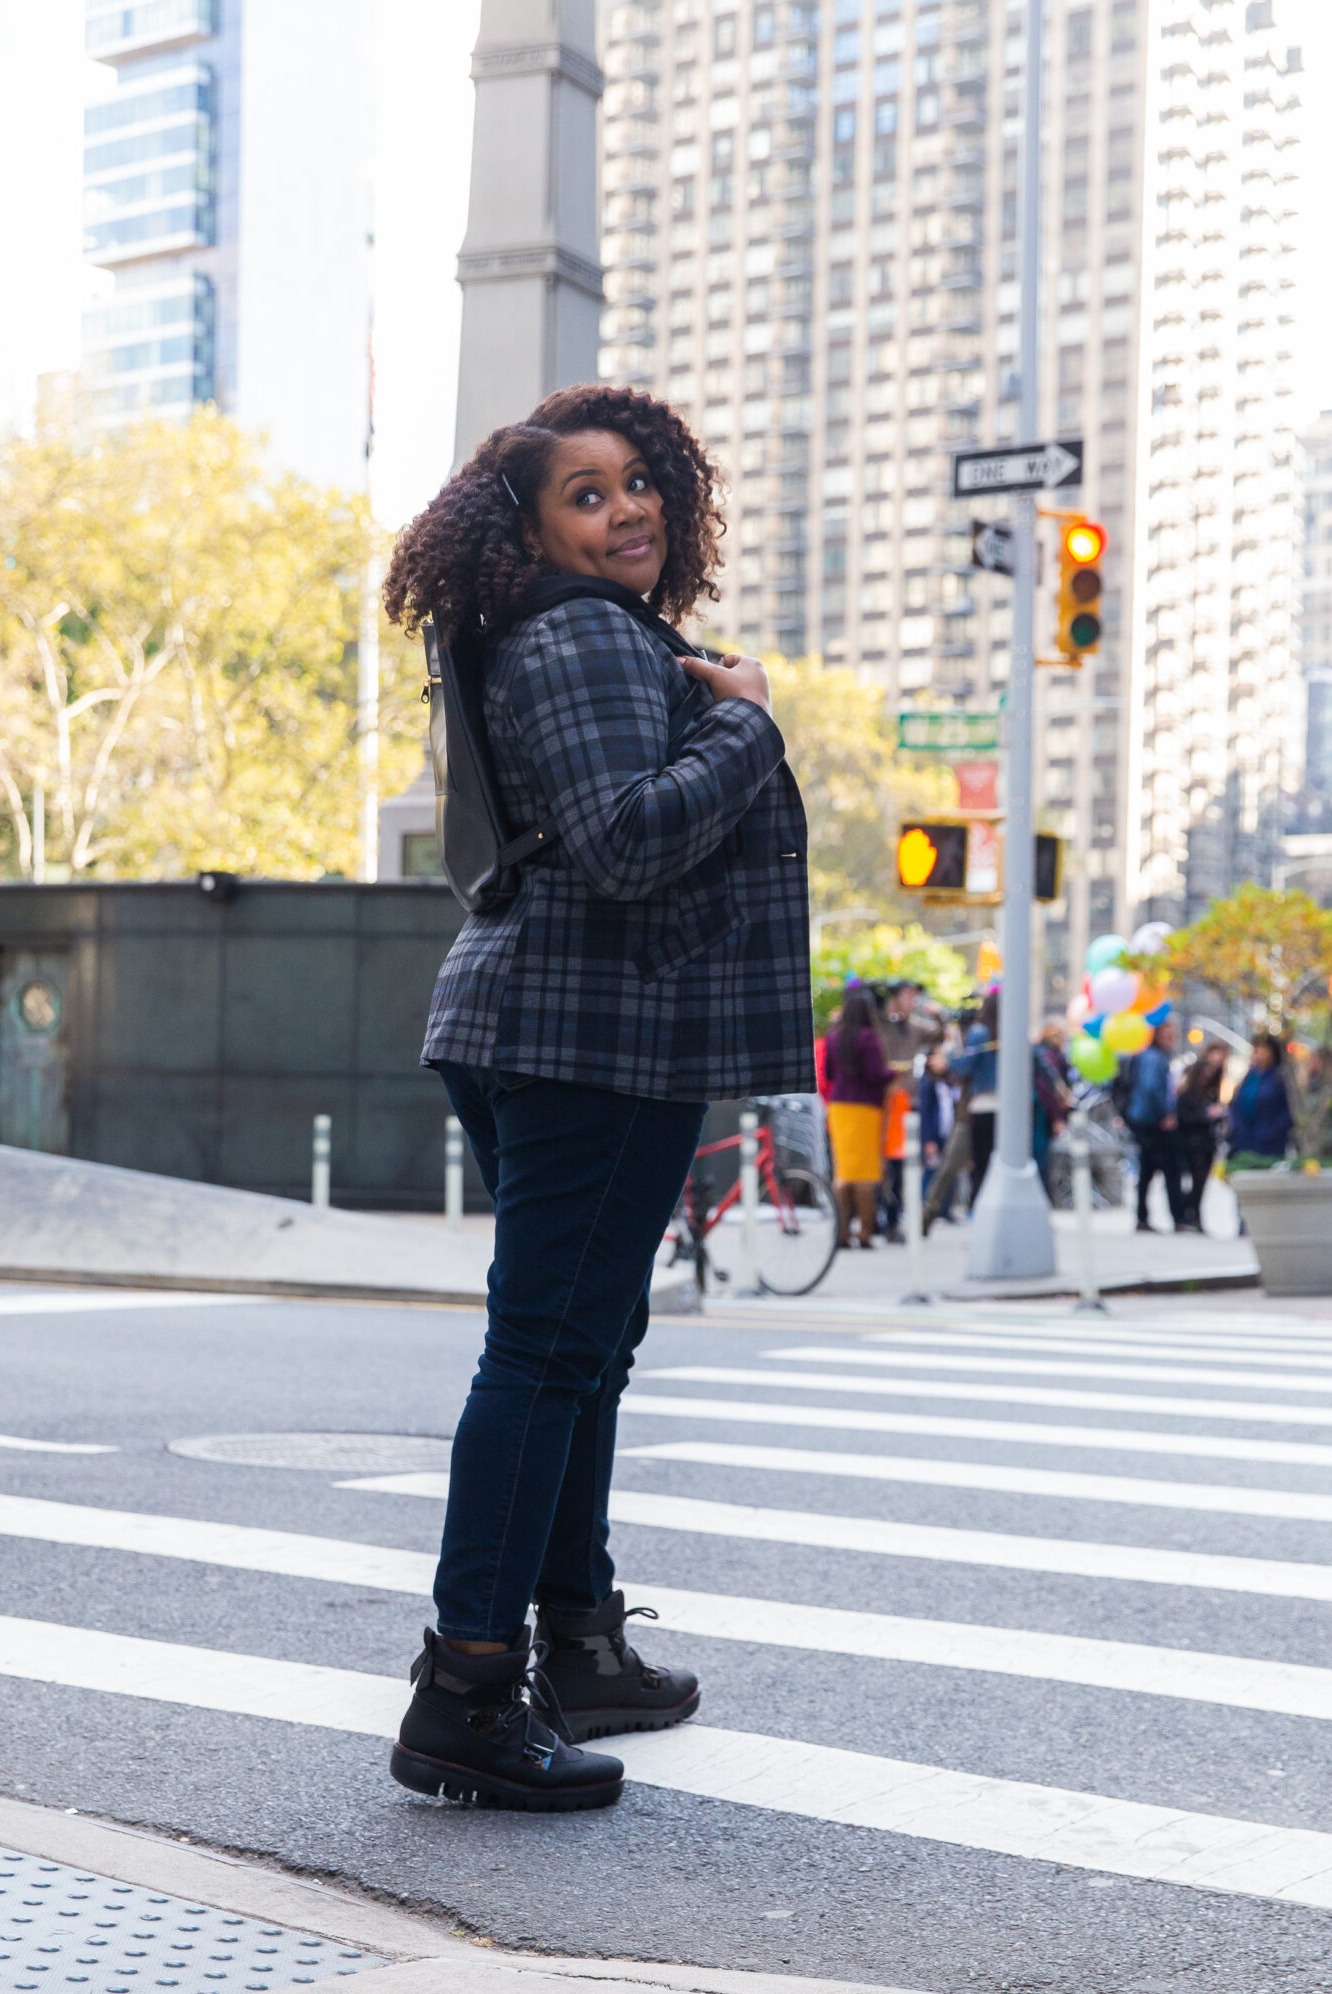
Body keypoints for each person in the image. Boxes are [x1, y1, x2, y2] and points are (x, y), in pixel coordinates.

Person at [381, 383, 814, 1811]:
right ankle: (464, 1691)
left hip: (583, 1028)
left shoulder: (588, 632)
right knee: (550, 1353)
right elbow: (628, 845)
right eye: (586, 492)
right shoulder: (575, 637)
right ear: (530, 532)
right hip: (584, 1036)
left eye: (639, 483)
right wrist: (749, 727)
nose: (626, 508)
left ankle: (577, 1641)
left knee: (585, 1345)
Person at [820, 982, 892, 1248]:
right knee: (865, 1174)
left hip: (839, 1108)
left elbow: (827, 1074)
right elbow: (876, 1075)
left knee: (843, 1171)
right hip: (865, 1109)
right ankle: (864, 1233)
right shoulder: (870, 1039)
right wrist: (896, 1073)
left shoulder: (834, 1037)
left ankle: (841, 1234)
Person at [876, 981, 942, 1240]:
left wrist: (940, 1015)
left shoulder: (915, 1026)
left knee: (903, 1164)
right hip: (883, 1102)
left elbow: (937, 1034)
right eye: (908, 996)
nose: (913, 1001)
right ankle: (877, 1217)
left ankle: (894, 1219)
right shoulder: (879, 1023)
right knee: (881, 1165)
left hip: (908, 1103)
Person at [1124, 1016, 1185, 1231]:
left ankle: (1143, 1217)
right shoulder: (1154, 1058)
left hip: (1145, 1119)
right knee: (1169, 1170)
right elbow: (1151, 1089)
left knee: (1147, 1171)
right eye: (1165, 1034)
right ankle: (1178, 1217)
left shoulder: (1150, 1056)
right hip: (1152, 1122)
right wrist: (1164, 1115)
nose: (1170, 1038)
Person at [952, 990, 999, 1203]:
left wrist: (951, 1050)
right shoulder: (1011, 1032)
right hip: (1007, 1108)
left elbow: (963, 1066)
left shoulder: (980, 1033)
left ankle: (978, 1207)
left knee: (979, 1163)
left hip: (982, 1104)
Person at [1175, 1041, 1228, 1230]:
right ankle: (1187, 1213)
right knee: (1195, 1181)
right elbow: (1185, 1116)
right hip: (1193, 1141)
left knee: (1201, 1182)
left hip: (1206, 1141)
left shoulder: (1212, 1090)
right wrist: (1207, 1116)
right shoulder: (1188, 1092)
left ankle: (1193, 1215)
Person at [1227, 1033, 1292, 1162]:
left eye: (1262, 1050)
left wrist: (1272, 1132)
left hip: (1270, 1142)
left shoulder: (1280, 1077)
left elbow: (1288, 1110)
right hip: (1244, 1140)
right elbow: (1237, 1104)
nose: (1257, 1054)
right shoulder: (1250, 1075)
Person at [1031, 1020, 1072, 1197]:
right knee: (1040, 1155)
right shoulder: (1047, 1056)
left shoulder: (1042, 1053)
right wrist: (1058, 1117)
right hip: (1042, 1110)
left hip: (1040, 1109)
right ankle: (1042, 1195)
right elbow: (1048, 1089)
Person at [919, 1045, 958, 1221]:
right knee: (932, 1172)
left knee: (949, 1171)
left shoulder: (949, 1081)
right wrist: (928, 1140)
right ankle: (927, 1207)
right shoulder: (927, 1082)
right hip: (934, 1135)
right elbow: (925, 1113)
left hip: (949, 1133)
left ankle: (945, 1209)